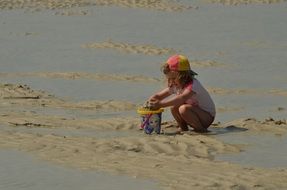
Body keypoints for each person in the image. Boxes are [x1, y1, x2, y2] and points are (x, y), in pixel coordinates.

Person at [148, 54, 216, 133]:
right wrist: (152, 100)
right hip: (194, 113)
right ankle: (183, 128)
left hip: (206, 117)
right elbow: (158, 96)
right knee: (174, 107)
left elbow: (181, 98)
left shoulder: (193, 85)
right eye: (169, 78)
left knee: (183, 108)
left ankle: (200, 129)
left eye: (173, 78)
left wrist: (160, 104)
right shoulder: (176, 85)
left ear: (183, 76)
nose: (171, 81)